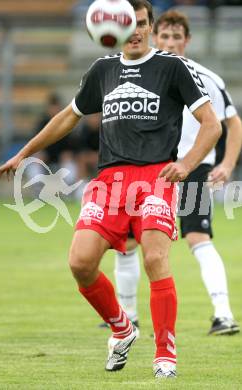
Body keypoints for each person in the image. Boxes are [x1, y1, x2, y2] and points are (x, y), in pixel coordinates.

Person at [0, 0, 221, 379]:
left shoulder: (170, 67)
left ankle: (165, 353)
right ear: (114, 27)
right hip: (109, 181)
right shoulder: (103, 70)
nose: (135, 31)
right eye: (128, 24)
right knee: (80, 263)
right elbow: (69, 116)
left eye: (142, 24)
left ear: (149, 26)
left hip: (155, 178)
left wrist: (185, 164)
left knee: (154, 259)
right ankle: (122, 327)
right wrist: (24, 153)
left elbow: (210, 124)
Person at [109, 9, 241, 336]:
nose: (169, 43)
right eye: (164, 36)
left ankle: (223, 314)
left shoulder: (205, 76)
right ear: (155, 36)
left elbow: (232, 123)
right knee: (127, 242)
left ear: (187, 41)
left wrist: (226, 164)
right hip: (150, 169)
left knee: (198, 237)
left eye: (176, 38)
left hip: (193, 167)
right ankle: (128, 315)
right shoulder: (141, 72)